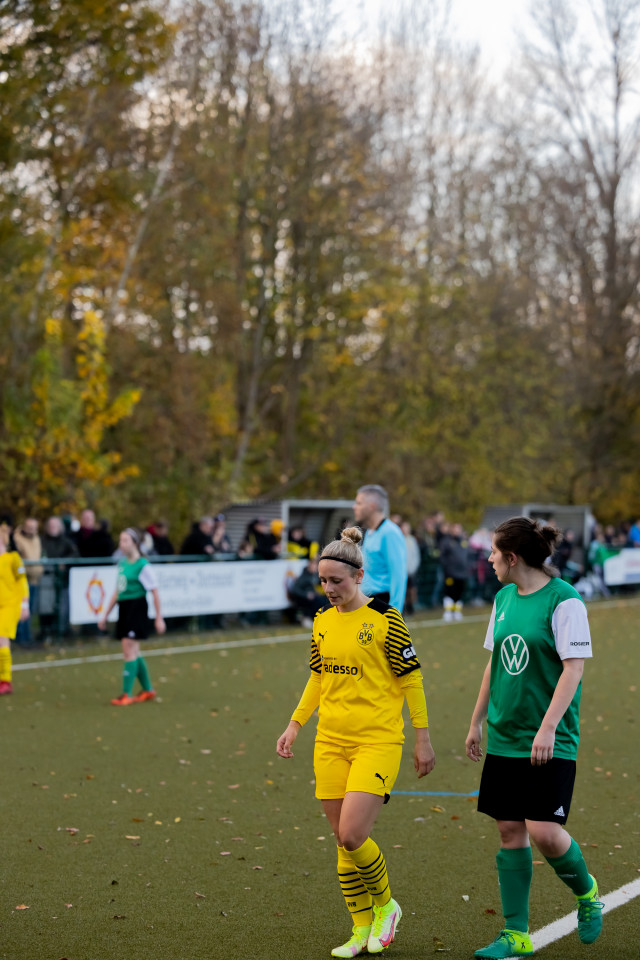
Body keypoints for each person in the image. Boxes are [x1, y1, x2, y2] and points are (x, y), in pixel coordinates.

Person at [277, 527, 435, 958]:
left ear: (359, 576)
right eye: (323, 581)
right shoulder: (322, 621)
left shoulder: (386, 619)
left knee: (352, 834)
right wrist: (295, 725)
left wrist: (423, 739)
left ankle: (387, 908)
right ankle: (360, 928)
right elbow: (317, 676)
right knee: (340, 839)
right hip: (329, 741)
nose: (328, 589)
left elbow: (412, 679)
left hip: (377, 742)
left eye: (337, 581)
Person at [465, 517, 603, 959]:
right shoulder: (503, 597)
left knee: (544, 832)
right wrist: (476, 720)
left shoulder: (566, 601)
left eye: (493, 553)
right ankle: (515, 934)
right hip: (505, 736)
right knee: (509, 830)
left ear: (512, 557)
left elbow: (574, 668)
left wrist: (547, 727)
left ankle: (587, 894)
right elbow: (496, 664)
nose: (488, 560)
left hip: (549, 740)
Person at [98, 528, 166, 706]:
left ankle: (125, 694)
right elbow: (118, 591)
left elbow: (155, 592)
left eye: (125, 541)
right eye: (121, 541)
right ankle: (148, 689)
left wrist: (159, 617)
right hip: (125, 609)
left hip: (137, 608)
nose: (122, 544)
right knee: (133, 651)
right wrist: (105, 614)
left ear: (135, 543)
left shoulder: (143, 565)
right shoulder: (122, 565)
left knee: (129, 650)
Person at [353, 485, 407, 611]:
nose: (354, 507)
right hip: (368, 601)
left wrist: (395, 613)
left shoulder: (390, 532)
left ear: (372, 506)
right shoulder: (371, 532)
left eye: (359, 503)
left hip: (383, 603)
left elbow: (398, 575)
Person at [0, 535, 30, 694]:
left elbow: (22, 581)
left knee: (2, 638)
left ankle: (5, 681)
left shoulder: (13, 558)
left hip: (10, 605)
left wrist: (24, 605)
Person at [13, 517, 43, 646]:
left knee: (29, 609)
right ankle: (21, 637)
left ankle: (27, 636)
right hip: (22, 580)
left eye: (34, 528)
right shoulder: (17, 539)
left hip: (34, 579)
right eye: (30, 527)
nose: (32, 530)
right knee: (22, 609)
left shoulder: (36, 539)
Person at [439, 521, 469, 621]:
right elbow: (442, 556)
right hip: (450, 573)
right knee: (449, 591)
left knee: (459, 592)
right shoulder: (446, 541)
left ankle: (457, 611)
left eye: (458, 529)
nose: (457, 531)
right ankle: (448, 612)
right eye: (455, 528)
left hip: (463, 573)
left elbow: (469, 555)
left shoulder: (464, 541)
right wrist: (447, 567)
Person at [287, 556, 325, 626]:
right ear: (309, 565)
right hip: (302, 599)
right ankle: (308, 618)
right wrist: (306, 594)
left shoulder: (315, 575)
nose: (316, 567)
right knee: (317, 601)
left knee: (324, 600)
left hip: (314, 596)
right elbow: (295, 589)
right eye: (314, 565)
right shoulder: (304, 576)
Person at [400, 521, 420, 615]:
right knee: (403, 590)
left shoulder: (412, 540)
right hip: (401, 571)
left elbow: (416, 555)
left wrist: (413, 567)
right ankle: (403, 608)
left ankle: (411, 607)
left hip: (411, 570)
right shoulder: (398, 538)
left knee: (411, 589)